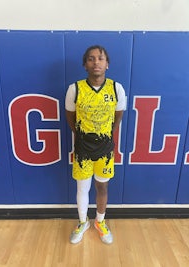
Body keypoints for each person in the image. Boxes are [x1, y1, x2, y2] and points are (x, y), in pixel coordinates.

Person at [65, 45, 126, 244]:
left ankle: (100, 221)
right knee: (82, 188)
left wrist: (106, 135)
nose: (96, 62)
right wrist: (84, 137)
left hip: (105, 150)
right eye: (91, 59)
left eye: (100, 58)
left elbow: (118, 116)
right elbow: (70, 118)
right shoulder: (75, 88)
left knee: (102, 187)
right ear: (85, 65)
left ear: (107, 64)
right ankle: (83, 222)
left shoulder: (116, 88)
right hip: (83, 149)